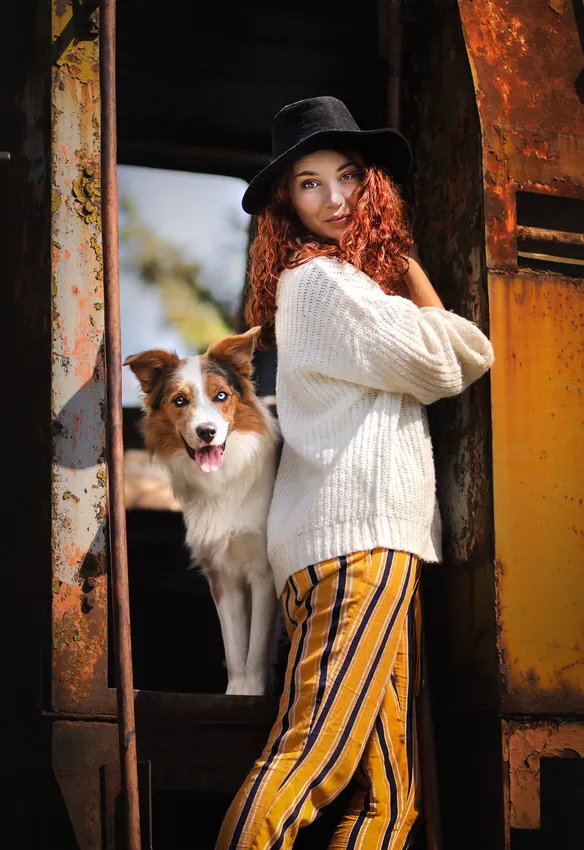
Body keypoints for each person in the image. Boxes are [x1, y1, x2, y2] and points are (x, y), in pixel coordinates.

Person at [217, 96, 495, 849]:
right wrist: (404, 262)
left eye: (346, 175)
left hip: (355, 543)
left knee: (390, 800)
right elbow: (457, 357)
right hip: (356, 547)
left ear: (371, 183)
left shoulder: (340, 288)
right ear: (286, 203)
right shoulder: (324, 286)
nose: (334, 198)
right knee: (312, 760)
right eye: (309, 183)